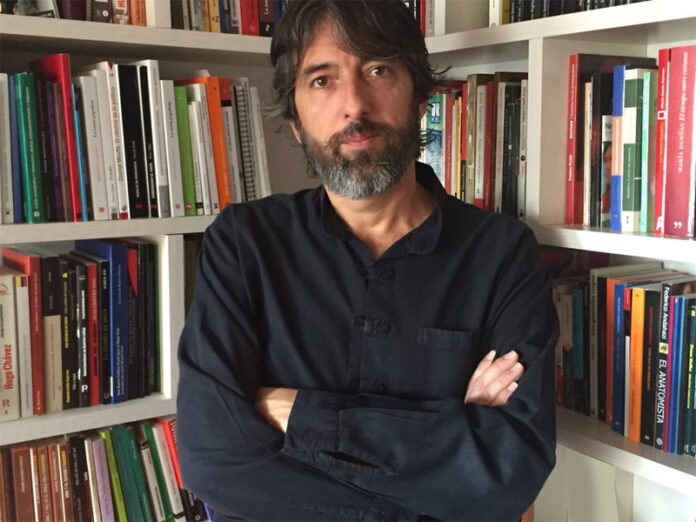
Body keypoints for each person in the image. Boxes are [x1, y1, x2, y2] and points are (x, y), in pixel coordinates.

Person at [177, 1, 558, 520]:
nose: (354, 104)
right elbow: (213, 461)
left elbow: (511, 472)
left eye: (378, 70)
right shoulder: (244, 243)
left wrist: (306, 418)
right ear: (294, 121)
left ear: (420, 97)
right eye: (322, 81)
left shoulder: (501, 254)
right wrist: (448, 452)